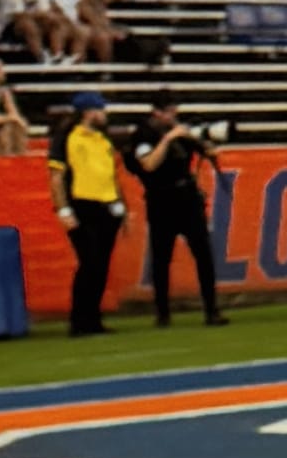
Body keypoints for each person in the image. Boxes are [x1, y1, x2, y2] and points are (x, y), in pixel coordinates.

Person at [133, 90, 226, 326]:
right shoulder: (143, 134)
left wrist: (204, 139)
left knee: (203, 254)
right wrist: (168, 139)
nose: (173, 116)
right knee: (161, 258)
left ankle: (211, 310)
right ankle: (162, 313)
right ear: (157, 112)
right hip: (161, 200)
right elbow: (149, 164)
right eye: (169, 112)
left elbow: (208, 151)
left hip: (187, 198)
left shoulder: (180, 131)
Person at [48, 88, 123, 335]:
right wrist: (63, 209)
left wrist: (119, 204)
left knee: (101, 265)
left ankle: (94, 318)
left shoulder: (103, 139)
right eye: (100, 110)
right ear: (89, 112)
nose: (104, 114)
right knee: (89, 262)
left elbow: (111, 174)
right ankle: (79, 319)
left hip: (106, 205)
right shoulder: (68, 136)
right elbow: (57, 176)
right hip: (82, 204)